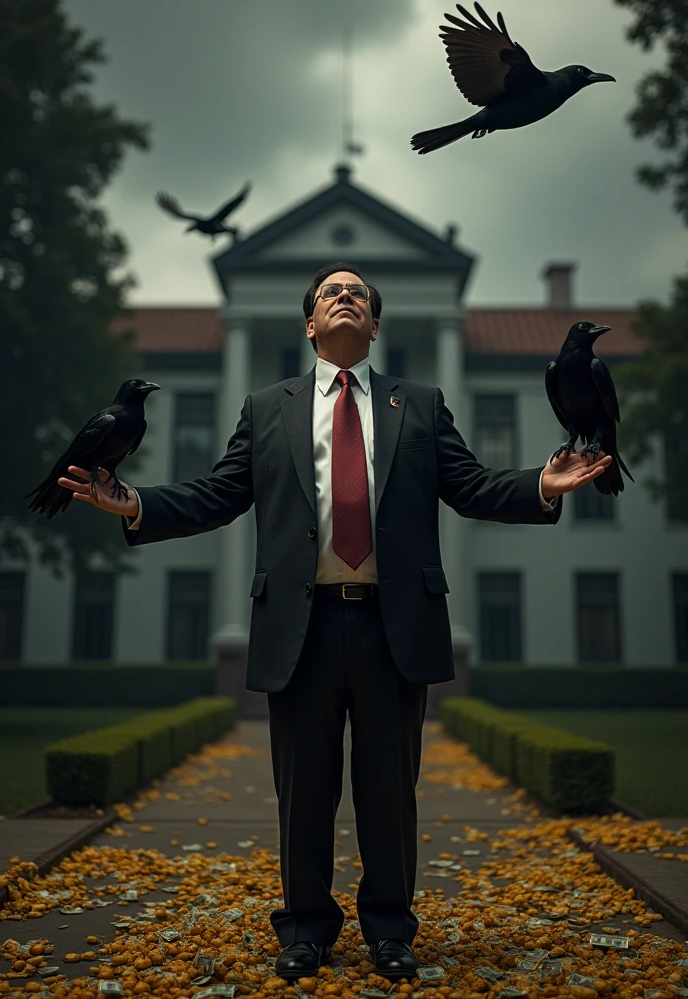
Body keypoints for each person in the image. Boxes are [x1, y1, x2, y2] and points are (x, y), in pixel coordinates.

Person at [59, 262, 612, 982]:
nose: (346, 298)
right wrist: (135, 504)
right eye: (331, 293)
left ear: (375, 326)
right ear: (311, 324)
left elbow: (471, 484)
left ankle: (390, 932)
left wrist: (540, 483)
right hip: (301, 625)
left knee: (389, 792)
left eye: (360, 295)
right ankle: (305, 931)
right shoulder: (267, 407)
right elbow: (219, 494)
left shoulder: (419, 402)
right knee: (304, 794)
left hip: (393, 626)